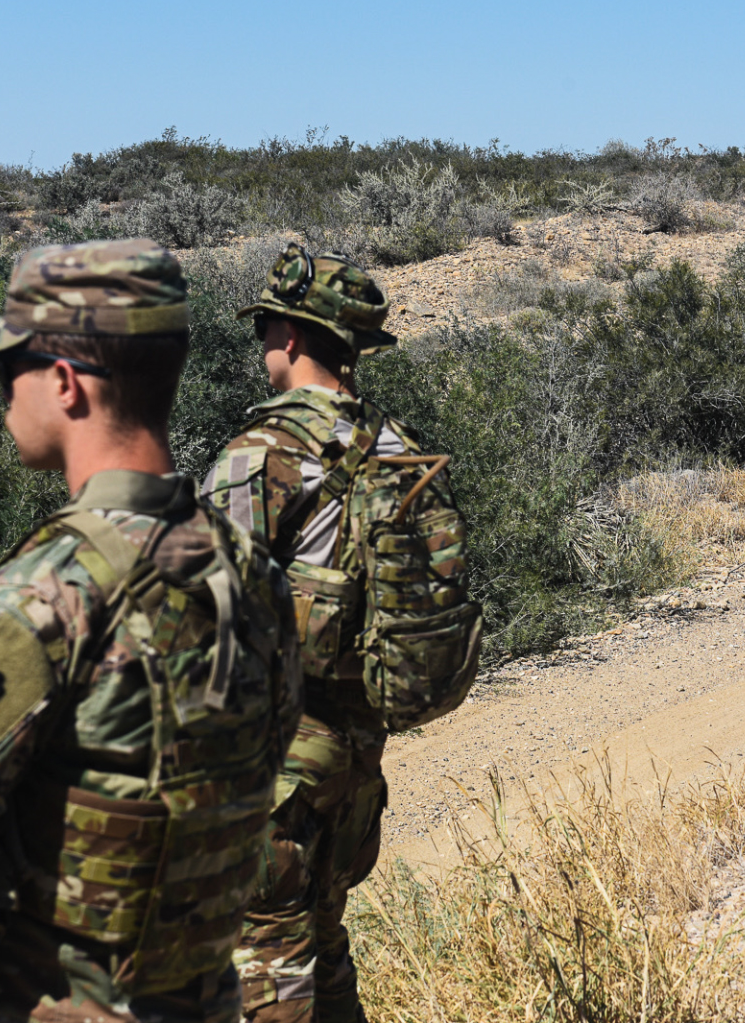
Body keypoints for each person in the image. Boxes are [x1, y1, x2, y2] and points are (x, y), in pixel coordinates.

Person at [0, 239, 300, 1023]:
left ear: (66, 384)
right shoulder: (250, 574)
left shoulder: (43, 598)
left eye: (9, 370)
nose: (3, 395)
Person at [205, 244, 478, 1023]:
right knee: (322, 945)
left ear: (290, 337)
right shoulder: (400, 446)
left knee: (264, 964)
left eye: (264, 328)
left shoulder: (260, 453)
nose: (262, 345)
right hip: (357, 757)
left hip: (278, 762)